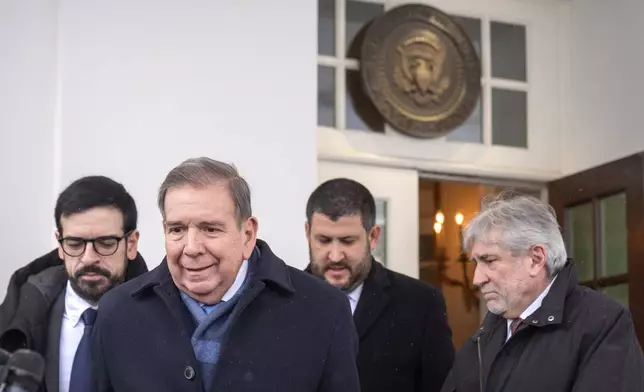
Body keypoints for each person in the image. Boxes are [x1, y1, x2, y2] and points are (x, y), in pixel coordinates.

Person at [91, 157, 361, 392]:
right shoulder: (118, 312)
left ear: (247, 234)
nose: (192, 248)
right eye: (177, 229)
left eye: (210, 229)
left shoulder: (324, 311)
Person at [441, 193, 644, 392]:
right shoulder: (488, 330)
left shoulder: (603, 322)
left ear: (536, 259)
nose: (477, 279)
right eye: (476, 263)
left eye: (490, 261)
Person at [304, 178, 455, 392]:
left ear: (373, 236)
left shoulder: (420, 303)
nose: (335, 256)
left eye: (348, 241)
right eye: (324, 240)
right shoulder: (281, 301)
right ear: (307, 233)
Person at [0, 175, 148, 392]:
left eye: (106, 243)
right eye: (75, 243)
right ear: (60, 244)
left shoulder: (160, 321)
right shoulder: (21, 314)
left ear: (131, 244)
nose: (88, 258)